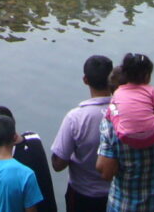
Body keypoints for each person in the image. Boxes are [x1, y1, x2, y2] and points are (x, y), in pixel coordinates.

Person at [49, 55, 113, 212]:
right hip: (116, 194)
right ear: (112, 79)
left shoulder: (76, 117)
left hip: (82, 195)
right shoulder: (125, 111)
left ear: (85, 80)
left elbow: (58, 164)